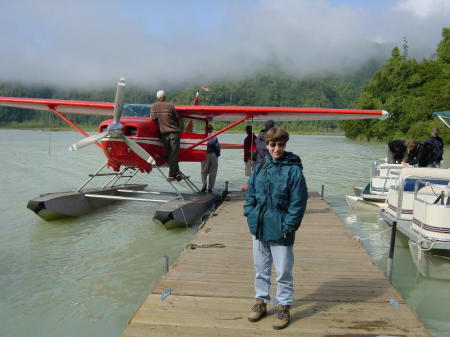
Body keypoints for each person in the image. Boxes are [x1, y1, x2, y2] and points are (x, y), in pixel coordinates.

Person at [244, 127, 308, 330]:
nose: (277, 149)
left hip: (282, 228)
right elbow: (251, 192)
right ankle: (261, 301)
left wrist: (289, 225)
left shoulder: (294, 170)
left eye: (281, 145)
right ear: (267, 146)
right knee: (260, 269)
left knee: (283, 272)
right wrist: (250, 213)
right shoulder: (260, 167)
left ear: (285, 145)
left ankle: (283, 306)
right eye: (273, 145)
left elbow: (299, 202)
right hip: (260, 225)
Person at [150, 90, 182, 181]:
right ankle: (174, 174)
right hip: (174, 133)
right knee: (173, 155)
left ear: (157, 97)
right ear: (165, 97)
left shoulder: (154, 106)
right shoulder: (171, 106)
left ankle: (175, 174)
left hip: (163, 134)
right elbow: (178, 118)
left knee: (170, 155)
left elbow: (153, 118)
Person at [201, 125, 220, 192]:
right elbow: (217, 147)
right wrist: (217, 155)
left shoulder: (202, 136)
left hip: (204, 154)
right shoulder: (214, 137)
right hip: (213, 154)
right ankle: (210, 188)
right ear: (211, 129)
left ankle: (204, 185)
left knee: (204, 171)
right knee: (213, 172)